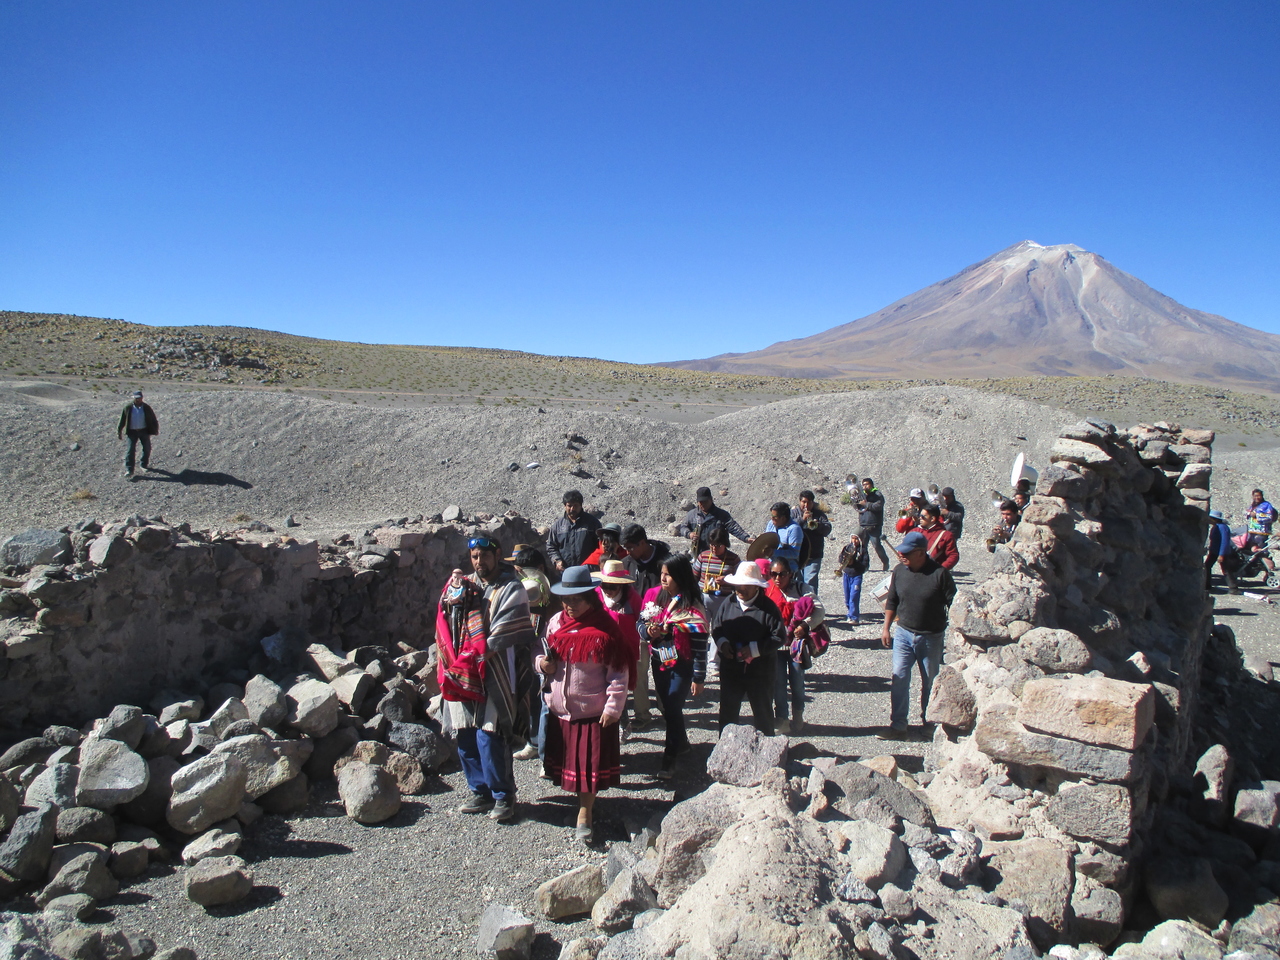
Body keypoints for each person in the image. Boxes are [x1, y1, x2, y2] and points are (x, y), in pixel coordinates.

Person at [435, 535, 536, 822]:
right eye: (475, 556)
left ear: (497, 555)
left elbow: (506, 629)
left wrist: (477, 655)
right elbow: (446, 618)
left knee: (490, 733)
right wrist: (450, 596)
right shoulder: (464, 584)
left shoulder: (511, 587)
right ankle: (479, 791)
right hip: (461, 669)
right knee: (465, 732)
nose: (479, 561)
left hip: (494, 669)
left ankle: (503, 795)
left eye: (485, 556)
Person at [537, 566, 629, 844]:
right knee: (573, 766)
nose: (570, 605)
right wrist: (542, 665)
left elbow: (619, 672)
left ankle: (584, 814)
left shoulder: (605, 629)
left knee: (587, 768)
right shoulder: (555, 623)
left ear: (590, 598)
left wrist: (613, 707)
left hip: (592, 711)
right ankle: (582, 806)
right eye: (566, 599)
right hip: (562, 710)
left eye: (576, 599)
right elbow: (540, 653)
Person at [878, 531, 956, 740]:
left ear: (921, 553)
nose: (901, 555)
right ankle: (898, 726)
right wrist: (886, 628)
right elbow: (892, 601)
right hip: (903, 633)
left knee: (930, 682)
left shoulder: (940, 575)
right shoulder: (899, 571)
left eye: (907, 552)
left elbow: (954, 604)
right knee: (899, 678)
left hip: (931, 637)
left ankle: (929, 724)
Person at [637, 554, 709, 779]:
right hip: (659, 660)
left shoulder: (692, 606)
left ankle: (669, 759)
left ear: (680, 576)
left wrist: (699, 677)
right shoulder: (654, 597)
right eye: (662, 574)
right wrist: (648, 631)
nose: (663, 579)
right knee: (669, 708)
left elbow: (700, 645)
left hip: (682, 664)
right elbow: (640, 623)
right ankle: (683, 743)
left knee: (672, 704)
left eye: (668, 575)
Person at [711, 561, 785, 735]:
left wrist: (754, 649)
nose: (740, 589)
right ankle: (725, 746)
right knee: (728, 711)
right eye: (738, 585)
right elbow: (716, 628)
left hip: (761, 672)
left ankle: (767, 747)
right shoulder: (728, 603)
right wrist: (723, 643)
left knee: (763, 712)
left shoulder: (768, 608)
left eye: (746, 586)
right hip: (731, 670)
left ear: (756, 587)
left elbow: (779, 637)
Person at [620, 524, 671, 730]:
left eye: (631, 547)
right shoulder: (627, 564)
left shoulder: (665, 562)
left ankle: (668, 710)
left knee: (665, 669)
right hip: (637, 628)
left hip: (665, 631)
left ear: (643, 542)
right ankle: (642, 715)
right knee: (639, 672)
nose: (628, 552)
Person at [766, 559, 824, 734]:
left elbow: (819, 610)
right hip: (775, 647)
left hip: (796, 647)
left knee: (797, 683)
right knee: (778, 685)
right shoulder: (767, 590)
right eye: (774, 574)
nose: (777, 578)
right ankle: (782, 719)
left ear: (790, 574)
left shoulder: (802, 589)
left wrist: (806, 625)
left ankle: (798, 715)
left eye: (782, 574)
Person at [508, 545, 554, 764]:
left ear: (540, 569)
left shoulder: (553, 593)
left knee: (547, 701)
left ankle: (547, 750)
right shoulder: (523, 592)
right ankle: (533, 740)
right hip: (528, 652)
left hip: (549, 653)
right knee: (531, 696)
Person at [594, 559, 643, 725]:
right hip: (601, 649)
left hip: (626, 651)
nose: (607, 590)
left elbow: (642, 621)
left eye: (612, 587)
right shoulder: (595, 595)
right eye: (604, 586)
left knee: (620, 687)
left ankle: (622, 721)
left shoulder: (633, 598)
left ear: (621, 585)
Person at [678, 487, 753, 553]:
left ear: (711, 500)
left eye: (705, 501)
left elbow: (733, 527)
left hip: (718, 553)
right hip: (699, 553)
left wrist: (746, 538)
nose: (702, 504)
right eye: (700, 502)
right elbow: (683, 527)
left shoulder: (722, 515)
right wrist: (689, 534)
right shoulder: (691, 515)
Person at [547, 490, 602, 572]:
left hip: (589, 571)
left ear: (581, 505)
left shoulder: (592, 523)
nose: (572, 509)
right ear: (565, 506)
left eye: (575, 505)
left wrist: (593, 563)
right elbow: (551, 546)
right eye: (569, 506)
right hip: (566, 572)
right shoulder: (558, 526)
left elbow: (601, 545)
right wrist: (557, 561)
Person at [692, 525, 741, 618]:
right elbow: (694, 577)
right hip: (703, 597)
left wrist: (726, 580)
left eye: (718, 546)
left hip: (723, 599)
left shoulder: (734, 559)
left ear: (725, 544)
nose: (714, 548)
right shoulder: (703, 556)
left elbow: (739, 580)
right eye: (712, 545)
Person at [792, 491, 832, 596]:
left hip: (814, 555)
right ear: (799, 501)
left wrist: (818, 525)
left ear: (813, 502)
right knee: (796, 583)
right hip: (797, 555)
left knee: (810, 583)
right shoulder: (793, 513)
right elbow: (788, 528)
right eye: (803, 502)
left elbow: (827, 529)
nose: (806, 505)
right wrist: (802, 520)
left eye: (809, 502)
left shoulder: (819, 514)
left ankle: (811, 604)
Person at [117, 390, 159, 479]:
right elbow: (122, 420)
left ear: (142, 398)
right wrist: (119, 431)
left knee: (147, 448)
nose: (138, 399)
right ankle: (129, 469)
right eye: (136, 398)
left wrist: (155, 430)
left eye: (139, 398)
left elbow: (153, 419)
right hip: (132, 432)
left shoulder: (147, 408)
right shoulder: (128, 408)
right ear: (133, 398)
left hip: (144, 431)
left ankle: (143, 465)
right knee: (130, 450)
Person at [834, 531, 869, 625]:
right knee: (847, 597)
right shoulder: (847, 547)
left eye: (856, 539)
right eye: (853, 538)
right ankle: (850, 614)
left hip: (857, 575)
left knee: (854, 596)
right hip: (846, 574)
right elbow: (840, 558)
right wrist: (844, 560)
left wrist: (854, 563)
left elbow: (865, 565)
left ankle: (854, 617)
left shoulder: (863, 550)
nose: (854, 541)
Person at [856, 478, 890, 572]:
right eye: (863, 485)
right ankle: (865, 566)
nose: (865, 486)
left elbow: (878, 506)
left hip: (874, 524)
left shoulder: (877, 495)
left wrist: (866, 504)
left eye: (867, 484)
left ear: (871, 485)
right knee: (863, 547)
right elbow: (857, 506)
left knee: (877, 545)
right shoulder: (862, 495)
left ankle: (885, 562)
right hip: (863, 524)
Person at [1206, 510, 1240, 595]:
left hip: (1222, 552)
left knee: (1226, 570)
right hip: (1214, 551)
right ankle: (1207, 585)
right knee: (1207, 566)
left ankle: (1233, 588)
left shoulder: (1222, 527)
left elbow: (1224, 542)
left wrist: (1221, 554)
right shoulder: (1216, 526)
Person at [918, 504, 960, 570]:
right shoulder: (915, 531)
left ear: (932, 518)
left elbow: (953, 556)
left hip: (933, 572)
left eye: (923, 516)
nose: (920, 518)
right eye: (919, 515)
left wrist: (940, 570)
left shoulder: (946, 535)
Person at [764, 502, 803, 570]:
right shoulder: (771, 524)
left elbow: (794, 553)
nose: (772, 518)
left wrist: (774, 552)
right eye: (771, 516)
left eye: (774, 517)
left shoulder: (794, 529)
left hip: (788, 568)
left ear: (783, 518)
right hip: (771, 565)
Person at [1246, 489, 1277, 574]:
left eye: (1258, 495)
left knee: (1261, 551)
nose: (1257, 497)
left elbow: (1269, 517)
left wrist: (1257, 515)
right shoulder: (1253, 505)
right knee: (1253, 551)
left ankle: (1269, 570)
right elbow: (1247, 513)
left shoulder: (1266, 505)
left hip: (1262, 532)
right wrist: (1248, 514)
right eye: (1255, 496)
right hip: (1252, 532)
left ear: (1262, 496)